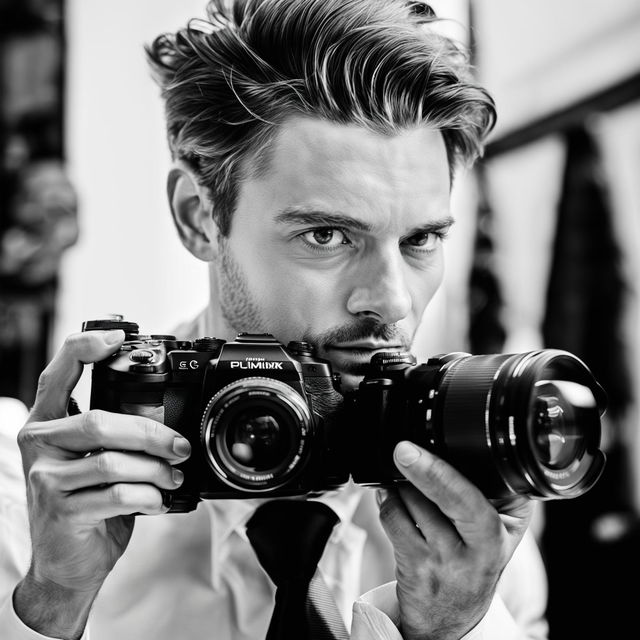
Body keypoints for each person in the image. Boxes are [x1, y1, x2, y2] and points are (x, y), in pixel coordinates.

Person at [0, 1, 549, 638]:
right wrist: (52, 604)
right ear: (198, 217)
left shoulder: (471, 516)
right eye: (326, 235)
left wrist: (452, 627)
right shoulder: (24, 495)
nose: (393, 301)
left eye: (421, 240)